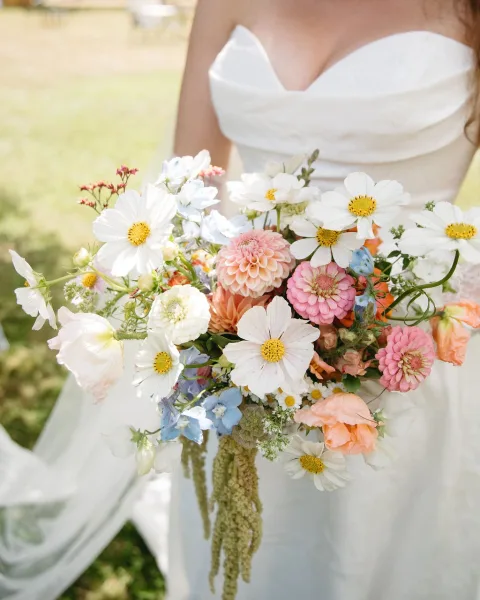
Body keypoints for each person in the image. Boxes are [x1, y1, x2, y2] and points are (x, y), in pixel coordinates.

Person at [166, 1, 480, 599]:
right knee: (254, 553)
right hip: (242, 350)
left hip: (410, 359)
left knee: (383, 554)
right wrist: (204, 300)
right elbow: (189, 183)